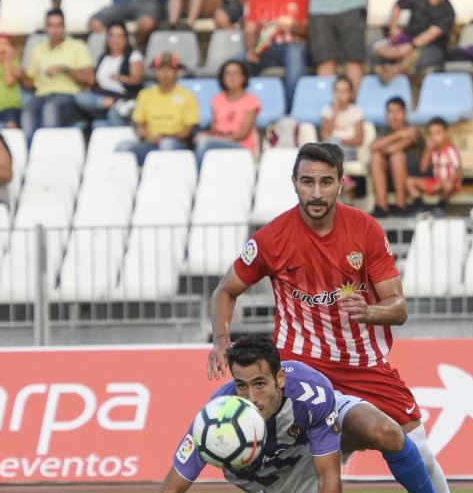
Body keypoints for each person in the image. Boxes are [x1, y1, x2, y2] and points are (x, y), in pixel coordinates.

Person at [208, 143, 449, 492]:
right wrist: (220, 341)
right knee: (298, 472)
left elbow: (398, 307)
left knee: (422, 453)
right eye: (307, 182)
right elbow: (224, 291)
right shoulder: (272, 238)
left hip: (364, 366)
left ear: (341, 183)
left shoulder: (364, 230)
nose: (316, 193)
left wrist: (370, 311)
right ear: (294, 182)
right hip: (299, 367)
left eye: (326, 182)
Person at [163, 334, 435, 493]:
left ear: (280, 378)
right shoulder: (214, 421)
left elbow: (329, 478)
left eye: (260, 384)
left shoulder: (311, 392)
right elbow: (173, 486)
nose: (251, 398)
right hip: (274, 479)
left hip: (313, 434)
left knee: (386, 431)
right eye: (241, 386)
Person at [241, 0, 307, 105]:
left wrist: (292, 27)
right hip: (264, 48)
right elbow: (249, 29)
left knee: (295, 53)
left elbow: (307, 30)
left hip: (291, 46)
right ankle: (242, 108)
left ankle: (291, 108)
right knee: (236, 64)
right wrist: (251, 49)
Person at [20, 9, 95, 140]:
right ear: (46, 28)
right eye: (51, 25)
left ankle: (50, 152)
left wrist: (66, 69)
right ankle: (32, 153)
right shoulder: (37, 50)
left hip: (68, 96)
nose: (55, 30)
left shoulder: (77, 46)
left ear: (64, 27)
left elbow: (90, 79)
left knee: (50, 108)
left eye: (58, 25)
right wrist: (21, 75)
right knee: (27, 110)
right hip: (41, 96)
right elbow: (30, 84)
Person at [371, 0, 455, 83]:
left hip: (431, 48)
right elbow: (398, 5)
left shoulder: (448, 11)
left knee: (416, 56)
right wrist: (393, 28)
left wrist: (409, 47)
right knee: (375, 46)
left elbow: (431, 34)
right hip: (406, 42)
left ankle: (391, 72)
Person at [118, 52, 200, 165]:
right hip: (150, 143)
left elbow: (187, 132)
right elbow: (139, 124)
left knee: (167, 144)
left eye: (169, 69)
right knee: (123, 147)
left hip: (176, 144)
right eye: (161, 69)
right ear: (155, 72)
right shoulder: (144, 94)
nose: (165, 73)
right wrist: (144, 134)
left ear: (176, 72)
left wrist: (164, 137)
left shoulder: (187, 96)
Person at [75, 23, 144, 124]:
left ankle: (116, 104)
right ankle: (114, 103)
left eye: (119, 36)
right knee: (80, 97)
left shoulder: (133, 56)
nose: (115, 40)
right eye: (112, 36)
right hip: (102, 99)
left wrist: (121, 78)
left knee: (110, 115)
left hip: (124, 98)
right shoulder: (103, 58)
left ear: (126, 39)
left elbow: (136, 79)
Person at [194, 60, 260, 165]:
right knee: (198, 139)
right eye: (228, 74)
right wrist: (201, 135)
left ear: (243, 77)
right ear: (222, 78)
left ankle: (198, 178)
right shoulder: (217, 100)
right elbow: (214, 130)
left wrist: (217, 139)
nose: (232, 77)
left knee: (204, 142)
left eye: (236, 74)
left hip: (241, 146)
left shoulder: (251, 101)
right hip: (217, 142)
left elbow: (243, 134)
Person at [368, 98, 424, 218]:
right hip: (390, 176)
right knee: (376, 156)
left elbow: (394, 149)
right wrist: (399, 134)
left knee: (396, 156)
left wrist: (382, 146)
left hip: (413, 176)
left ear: (405, 114)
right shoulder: (385, 130)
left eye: (397, 111)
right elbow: (373, 147)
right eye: (390, 112)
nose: (394, 116)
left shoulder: (412, 130)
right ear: (386, 115)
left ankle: (401, 204)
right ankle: (382, 207)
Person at [404, 117, 462, 214]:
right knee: (409, 182)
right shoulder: (432, 150)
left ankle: (441, 205)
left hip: (449, 183)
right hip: (436, 182)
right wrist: (428, 150)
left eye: (438, 133)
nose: (434, 137)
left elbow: (458, 170)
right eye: (431, 134)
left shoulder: (450, 149)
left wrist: (446, 181)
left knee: (448, 185)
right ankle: (421, 207)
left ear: (446, 134)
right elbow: (423, 169)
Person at [320, 75, 365, 162]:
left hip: (348, 147)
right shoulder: (327, 109)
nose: (339, 95)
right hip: (330, 147)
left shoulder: (356, 110)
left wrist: (340, 141)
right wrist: (334, 112)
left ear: (350, 94)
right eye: (337, 91)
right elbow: (325, 135)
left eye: (344, 91)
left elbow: (359, 139)